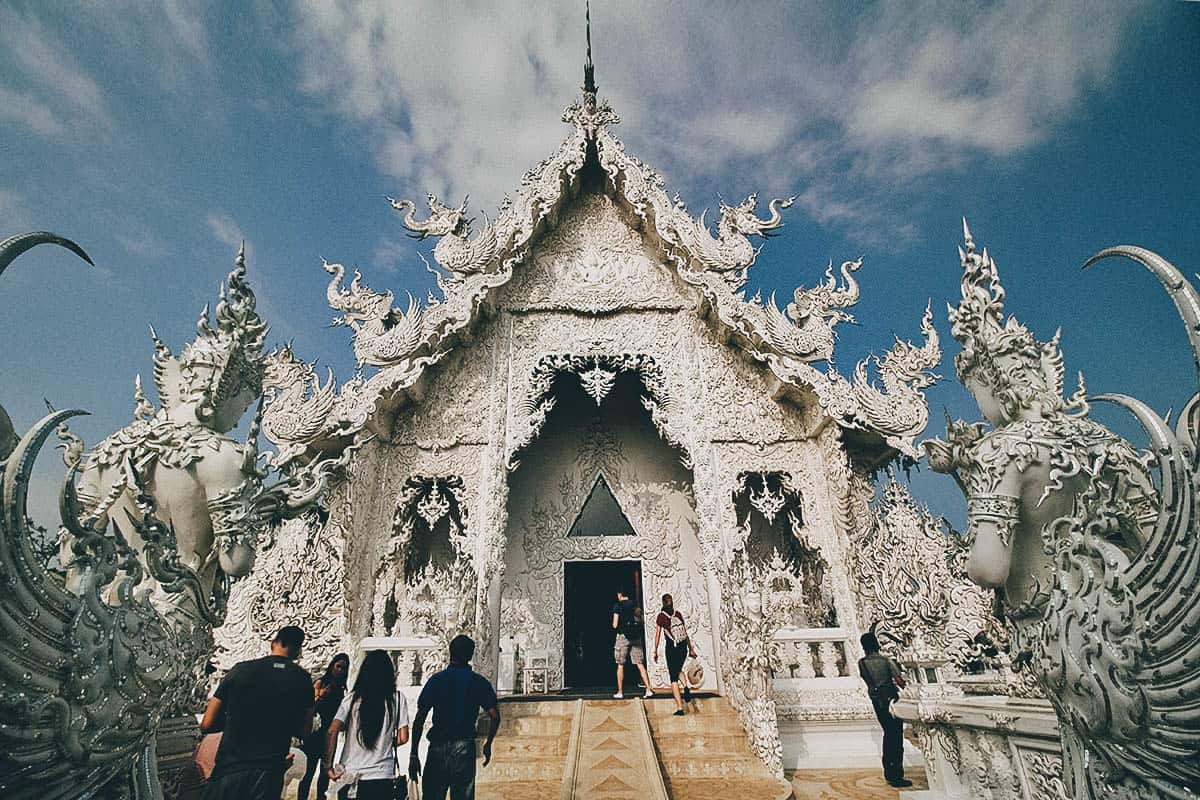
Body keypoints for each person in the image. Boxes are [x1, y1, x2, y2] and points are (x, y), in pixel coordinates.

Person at [199, 625, 315, 800]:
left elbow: (206, 724)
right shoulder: (303, 679)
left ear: (273, 643)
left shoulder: (239, 670)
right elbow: (304, 731)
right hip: (269, 772)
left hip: (230, 767)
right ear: (299, 650)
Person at [409, 635, 500, 800]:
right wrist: (488, 743)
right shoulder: (478, 682)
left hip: (438, 745)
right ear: (470, 656)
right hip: (464, 745)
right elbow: (494, 716)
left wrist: (413, 754)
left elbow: (420, 718)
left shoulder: (436, 681)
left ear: (450, 653)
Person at [324, 650, 410, 800]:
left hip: (351, 775)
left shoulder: (352, 699)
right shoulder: (397, 698)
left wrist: (328, 765)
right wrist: (383, 743)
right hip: (382, 775)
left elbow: (332, 730)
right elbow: (403, 737)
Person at [857, 630, 911, 788]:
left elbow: (867, 679)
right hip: (891, 699)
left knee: (888, 734)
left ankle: (889, 770)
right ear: (876, 644)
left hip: (876, 701)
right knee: (896, 736)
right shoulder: (886, 661)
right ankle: (897, 775)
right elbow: (900, 681)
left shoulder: (862, 663)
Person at [298, 652, 350, 800]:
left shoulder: (341, 689)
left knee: (325, 772)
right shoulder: (321, 683)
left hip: (329, 734)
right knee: (308, 773)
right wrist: (322, 695)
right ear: (332, 665)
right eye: (338, 666)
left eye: (344, 668)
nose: (340, 670)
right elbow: (310, 706)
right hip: (316, 733)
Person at [654, 593, 698, 715]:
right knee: (678, 669)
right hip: (682, 647)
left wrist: (655, 650)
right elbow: (686, 633)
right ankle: (686, 686)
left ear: (663, 603)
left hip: (671, 648)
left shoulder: (661, 617)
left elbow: (657, 635)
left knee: (673, 677)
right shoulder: (677, 614)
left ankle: (679, 708)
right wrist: (691, 649)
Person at [612, 587, 653, 699]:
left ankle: (620, 692)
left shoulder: (618, 606)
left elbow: (615, 625)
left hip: (623, 636)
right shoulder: (635, 604)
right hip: (636, 637)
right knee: (639, 663)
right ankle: (648, 689)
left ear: (619, 594)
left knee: (620, 664)